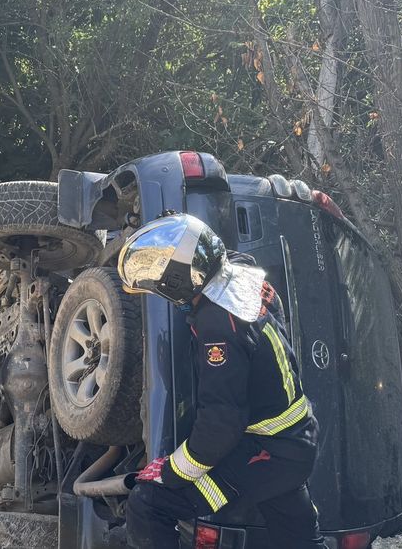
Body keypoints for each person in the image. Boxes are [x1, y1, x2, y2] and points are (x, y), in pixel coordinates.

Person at [116, 213, 326, 549]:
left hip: (267, 453)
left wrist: (171, 471)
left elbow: (221, 424)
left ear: (176, 282)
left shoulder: (218, 325)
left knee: (149, 504)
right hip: (295, 440)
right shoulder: (244, 273)